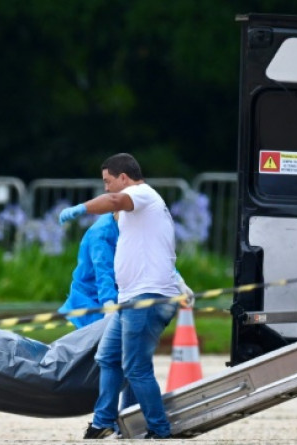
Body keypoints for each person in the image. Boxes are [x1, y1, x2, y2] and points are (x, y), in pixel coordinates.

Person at [59, 152, 191, 439]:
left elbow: (116, 201)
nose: (106, 188)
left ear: (123, 177)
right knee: (108, 357)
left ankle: (159, 429)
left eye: (108, 181)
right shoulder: (139, 210)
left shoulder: (140, 193)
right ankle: (103, 421)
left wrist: (81, 208)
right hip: (132, 300)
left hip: (146, 299)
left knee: (135, 368)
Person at [58, 213, 119, 328]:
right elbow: (103, 271)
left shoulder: (119, 227)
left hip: (108, 300)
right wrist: (110, 305)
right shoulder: (101, 233)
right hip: (91, 305)